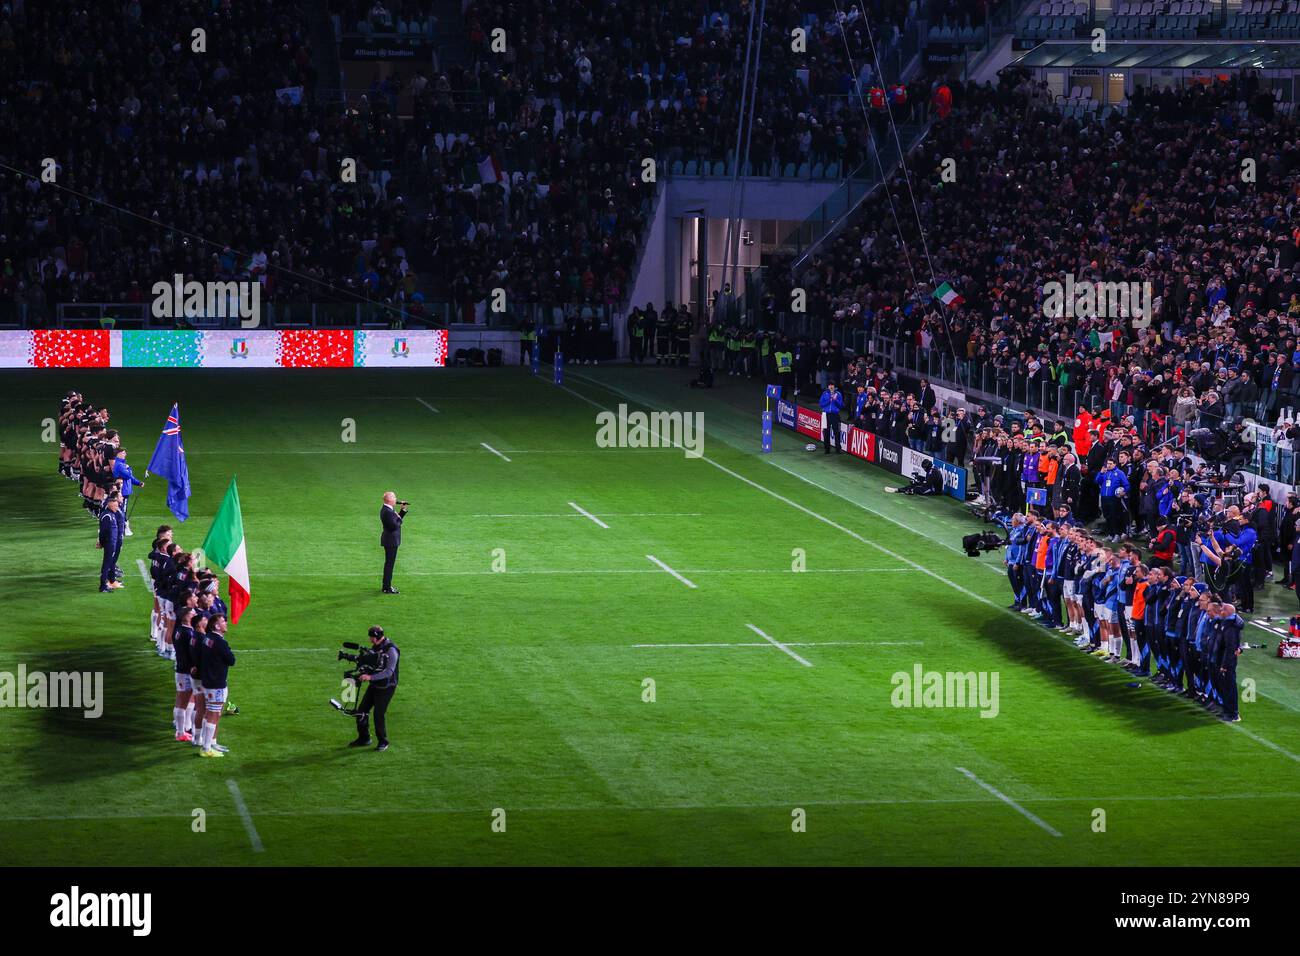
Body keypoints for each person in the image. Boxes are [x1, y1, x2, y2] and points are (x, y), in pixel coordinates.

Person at [350, 625, 400, 752]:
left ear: (378, 637)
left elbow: (389, 671)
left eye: (372, 638)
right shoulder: (377, 646)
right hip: (376, 684)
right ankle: (364, 738)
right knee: (361, 711)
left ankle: (383, 741)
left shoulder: (391, 650)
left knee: (378, 714)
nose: (371, 640)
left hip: (387, 687)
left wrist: (370, 677)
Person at [197, 614, 235, 757]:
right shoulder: (219, 642)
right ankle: (206, 748)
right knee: (213, 714)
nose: (226, 623)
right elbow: (231, 660)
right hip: (216, 683)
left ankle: (212, 742)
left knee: (212, 714)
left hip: (208, 681)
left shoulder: (207, 638)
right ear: (216, 626)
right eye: (223, 622)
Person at [380, 491, 408, 594]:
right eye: (394, 497)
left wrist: (402, 511)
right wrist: (399, 518)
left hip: (390, 540)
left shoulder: (388, 509)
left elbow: (395, 521)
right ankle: (387, 587)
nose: (396, 499)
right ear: (389, 500)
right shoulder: (387, 511)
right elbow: (394, 526)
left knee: (389, 564)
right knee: (389, 564)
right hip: (390, 541)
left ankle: (386, 586)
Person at [97, 495, 124, 592]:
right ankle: (103, 586)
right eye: (115, 506)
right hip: (110, 544)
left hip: (112, 543)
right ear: (110, 506)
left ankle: (107, 583)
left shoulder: (112, 514)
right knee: (106, 565)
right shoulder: (107, 516)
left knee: (108, 564)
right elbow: (103, 532)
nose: (117, 507)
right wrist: (102, 542)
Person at [819, 382, 845, 454]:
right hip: (826, 415)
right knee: (826, 432)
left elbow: (841, 406)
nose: (831, 386)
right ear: (828, 386)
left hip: (835, 415)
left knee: (837, 432)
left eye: (832, 385)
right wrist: (829, 400)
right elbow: (821, 404)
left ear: (834, 386)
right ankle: (827, 449)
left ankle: (838, 449)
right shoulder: (825, 393)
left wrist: (835, 400)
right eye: (830, 385)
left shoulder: (838, 394)